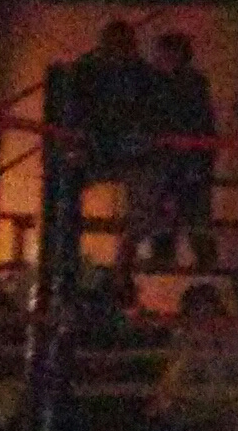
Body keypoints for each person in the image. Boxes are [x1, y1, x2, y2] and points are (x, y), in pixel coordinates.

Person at [66, 19, 164, 294]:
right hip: (97, 149)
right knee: (64, 183)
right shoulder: (87, 71)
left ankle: (124, 257)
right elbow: (75, 111)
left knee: (149, 190)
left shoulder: (142, 75)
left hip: (126, 151)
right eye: (114, 43)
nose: (119, 50)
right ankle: (68, 255)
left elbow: (152, 115)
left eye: (123, 43)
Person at [147, 31, 219, 273]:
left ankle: (202, 254)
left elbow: (199, 120)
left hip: (188, 157)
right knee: (167, 205)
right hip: (170, 157)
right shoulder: (157, 83)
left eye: (168, 52)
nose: (162, 58)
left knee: (193, 207)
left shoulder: (191, 83)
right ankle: (166, 252)